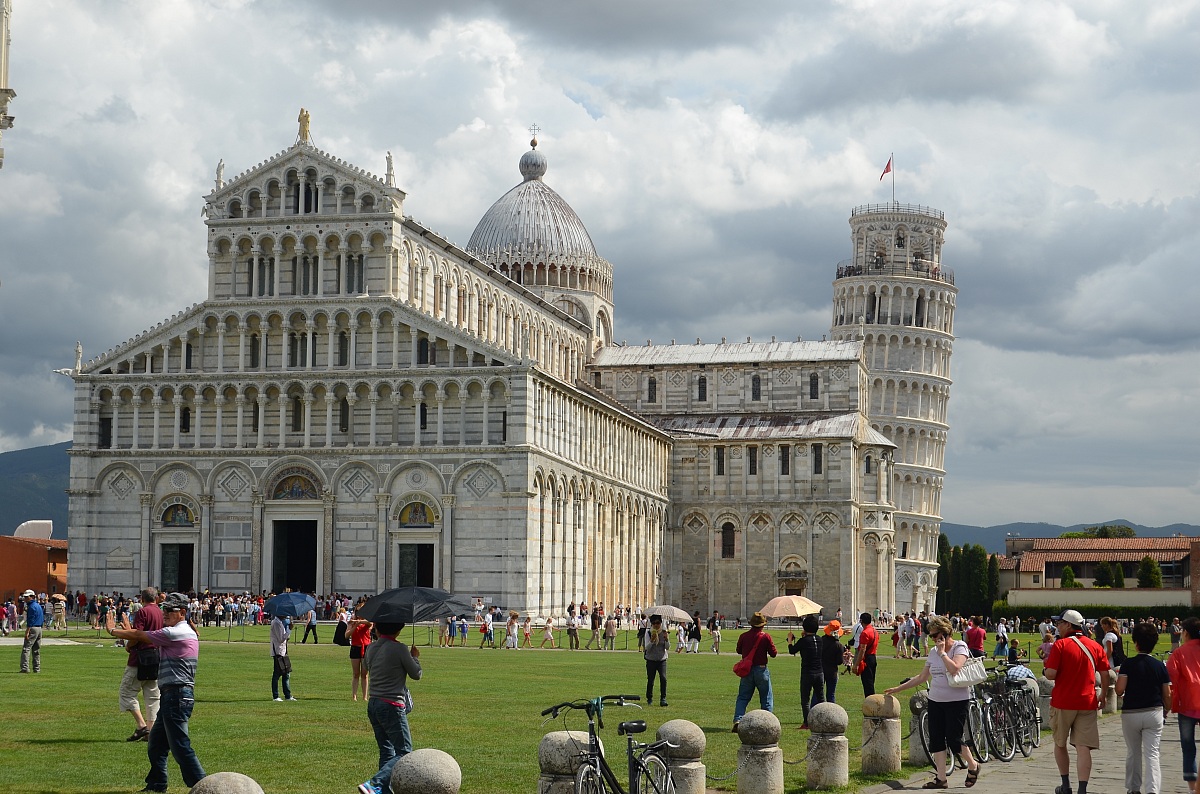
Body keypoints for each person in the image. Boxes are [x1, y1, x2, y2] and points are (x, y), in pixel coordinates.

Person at [108, 592, 206, 793]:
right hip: (172, 695)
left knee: (180, 746)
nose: (166, 613)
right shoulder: (177, 631)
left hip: (177, 695)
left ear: (183, 612)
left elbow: (139, 636)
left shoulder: (177, 633)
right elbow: (139, 637)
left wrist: (112, 631)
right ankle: (157, 784)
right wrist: (130, 631)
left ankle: (204, 785)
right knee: (156, 744)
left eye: (171, 610)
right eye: (165, 609)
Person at [885, 616, 982, 789]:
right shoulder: (932, 652)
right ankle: (941, 778)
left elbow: (954, 669)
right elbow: (922, 677)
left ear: (944, 633)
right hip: (936, 699)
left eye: (935, 635)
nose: (932, 638)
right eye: (930, 636)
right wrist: (898, 689)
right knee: (936, 739)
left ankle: (973, 765)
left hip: (957, 701)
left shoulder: (960, 647)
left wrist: (943, 653)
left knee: (954, 739)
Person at [1044, 609, 1111, 794]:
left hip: (1063, 701)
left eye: (1059, 623)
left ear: (1068, 624)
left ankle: (1066, 785)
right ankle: (1083, 788)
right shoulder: (1095, 646)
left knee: (1060, 743)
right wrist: (1103, 694)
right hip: (1087, 701)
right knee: (1083, 748)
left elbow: (1051, 674)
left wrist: (1044, 670)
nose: (1057, 626)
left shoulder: (1061, 645)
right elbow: (1105, 674)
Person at [357, 622, 422, 794]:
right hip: (392, 704)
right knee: (404, 751)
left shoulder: (370, 648)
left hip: (374, 703)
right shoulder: (399, 648)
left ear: (376, 629)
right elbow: (416, 674)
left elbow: (366, 669)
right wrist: (414, 657)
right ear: (399, 630)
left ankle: (381, 789)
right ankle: (374, 783)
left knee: (386, 751)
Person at [1117, 621, 1171, 794]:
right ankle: (1152, 790)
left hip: (1131, 712)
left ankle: (1133, 788)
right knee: (1152, 753)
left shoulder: (1128, 664)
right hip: (1153, 711)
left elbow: (1119, 690)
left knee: (1133, 752)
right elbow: (1167, 694)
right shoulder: (1159, 666)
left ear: (1136, 642)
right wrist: (1166, 710)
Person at [121, 587, 162, 742]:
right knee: (152, 695)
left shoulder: (143, 612)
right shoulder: (159, 612)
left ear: (142, 599)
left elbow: (137, 634)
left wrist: (128, 644)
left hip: (140, 657)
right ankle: (151, 731)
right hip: (156, 656)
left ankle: (141, 725)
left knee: (127, 691)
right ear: (156, 598)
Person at [1167, 616, 1200, 794]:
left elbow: (1170, 679)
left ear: (1185, 633)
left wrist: (1170, 703)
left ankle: (1192, 787)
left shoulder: (1179, 653)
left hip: (1187, 703)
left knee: (1188, 747)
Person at [733, 612, 777, 732]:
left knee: (743, 697)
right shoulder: (766, 637)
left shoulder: (744, 636)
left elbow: (738, 650)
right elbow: (773, 654)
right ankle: (767, 722)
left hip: (747, 670)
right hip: (761, 669)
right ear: (762, 625)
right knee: (766, 697)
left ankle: (738, 719)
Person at [787, 615, 825, 729]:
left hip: (807, 672)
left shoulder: (803, 641)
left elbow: (792, 650)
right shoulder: (819, 639)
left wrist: (790, 641)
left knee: (805, 700)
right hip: (819, 672)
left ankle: (807, 722)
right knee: (821, 698)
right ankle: (825, 719)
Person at [851, 612, 880, 697]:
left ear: (861, 621)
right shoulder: (875, 631)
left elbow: (862, 649)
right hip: (873, 657)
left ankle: (870, 703)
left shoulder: (865, 633)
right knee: (871, 682)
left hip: (866, 658)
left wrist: (856, 664)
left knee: (867, 684)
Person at [644, 613, 669, 707]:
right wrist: (651, 641)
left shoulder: (664, 632)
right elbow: (646, 648)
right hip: (651, 659)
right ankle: (649, 698)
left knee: (663, 678)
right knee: (651, 680)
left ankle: (663, 698)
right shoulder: (648, 633)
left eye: (658, 623)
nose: (656, 625)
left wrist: (666, 639)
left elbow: (667, 647)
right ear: (651, 624)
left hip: (662, 659)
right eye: (654, 623)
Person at [271, 613, 297, 701]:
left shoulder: (280, 622)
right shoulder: (276, 623)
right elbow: (281, 638)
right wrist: (289, 629)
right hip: (278, 651)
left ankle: (287, 695)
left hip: (283, 650)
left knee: (286, 673)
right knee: (277, 674)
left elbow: (285, 638)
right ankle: (276, 696)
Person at [349, 613, 373, 701]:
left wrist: (357, 622)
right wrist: (355, 626)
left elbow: (370, 623)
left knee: (365, 674)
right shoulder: (352, 623)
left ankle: (364, 696)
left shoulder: (366, 623)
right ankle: (354, 696)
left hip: (366, 648)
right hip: (355, 648)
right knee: (356, 674)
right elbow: (347, 635)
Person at [19, 589, 43, 673]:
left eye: (27, 597)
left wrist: (27, 631)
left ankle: (25, 668)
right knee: (36, 649)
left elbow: (30, 620)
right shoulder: (38, 606)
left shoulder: (31, 607)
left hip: (33, 628)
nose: (25, 599)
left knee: (26, 648)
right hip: (39, 628)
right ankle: (37, 668)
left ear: (32, 597)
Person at [821, 619, 844, 703]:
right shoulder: (838, 645)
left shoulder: (821, 640)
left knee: (817, 694)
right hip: (832, 671)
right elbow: (839, 661)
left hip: (821, 670)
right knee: (831, 694)